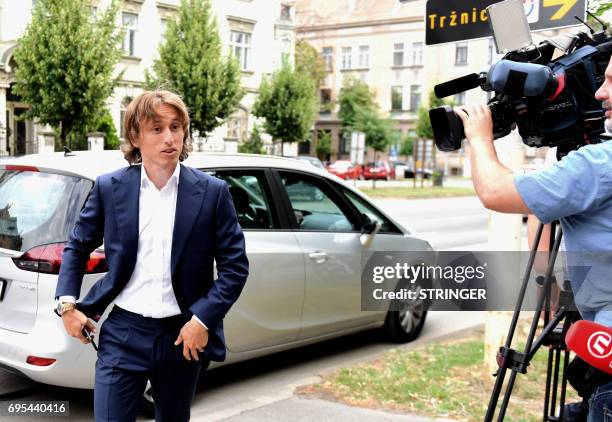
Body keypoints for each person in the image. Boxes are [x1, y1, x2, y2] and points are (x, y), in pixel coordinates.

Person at [54, 90, 249, 421]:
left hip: (182, 335)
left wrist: (202, 320)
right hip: (123, 333)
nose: (169, 137)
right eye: (156, 128)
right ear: (135, 135)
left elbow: (235, 268)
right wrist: (67, 305)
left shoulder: (212, 193)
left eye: (176, 126)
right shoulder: (109, 187)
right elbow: (77, 245)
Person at [455, 55, 612, 421]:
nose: (600, 94)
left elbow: (495, 191)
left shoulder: (598, 165)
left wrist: (479, 137)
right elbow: (542, 215)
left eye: (610, 81)